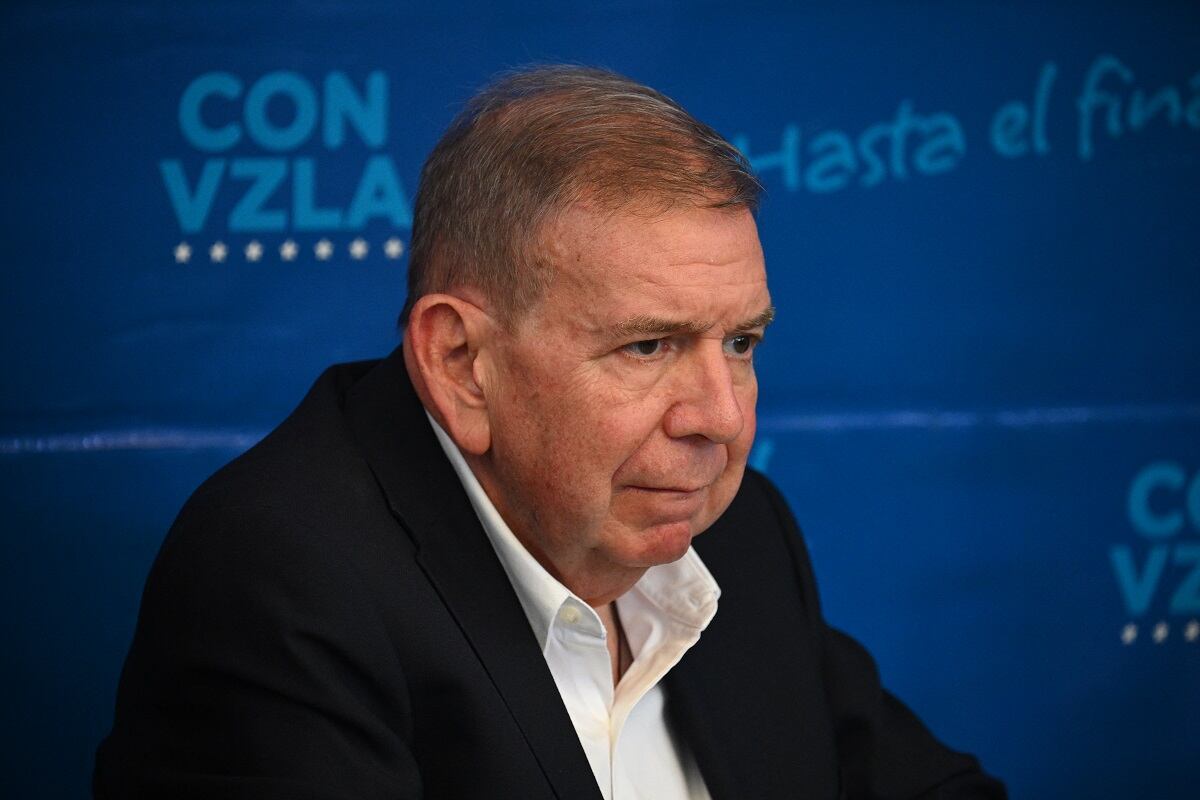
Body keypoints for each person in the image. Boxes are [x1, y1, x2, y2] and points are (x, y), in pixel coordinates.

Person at [95, 65, 1005, 799]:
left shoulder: (738, 531)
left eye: (742, 341)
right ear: (461, 363)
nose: (723, 421)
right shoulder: (282, 583)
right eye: (648, 345)